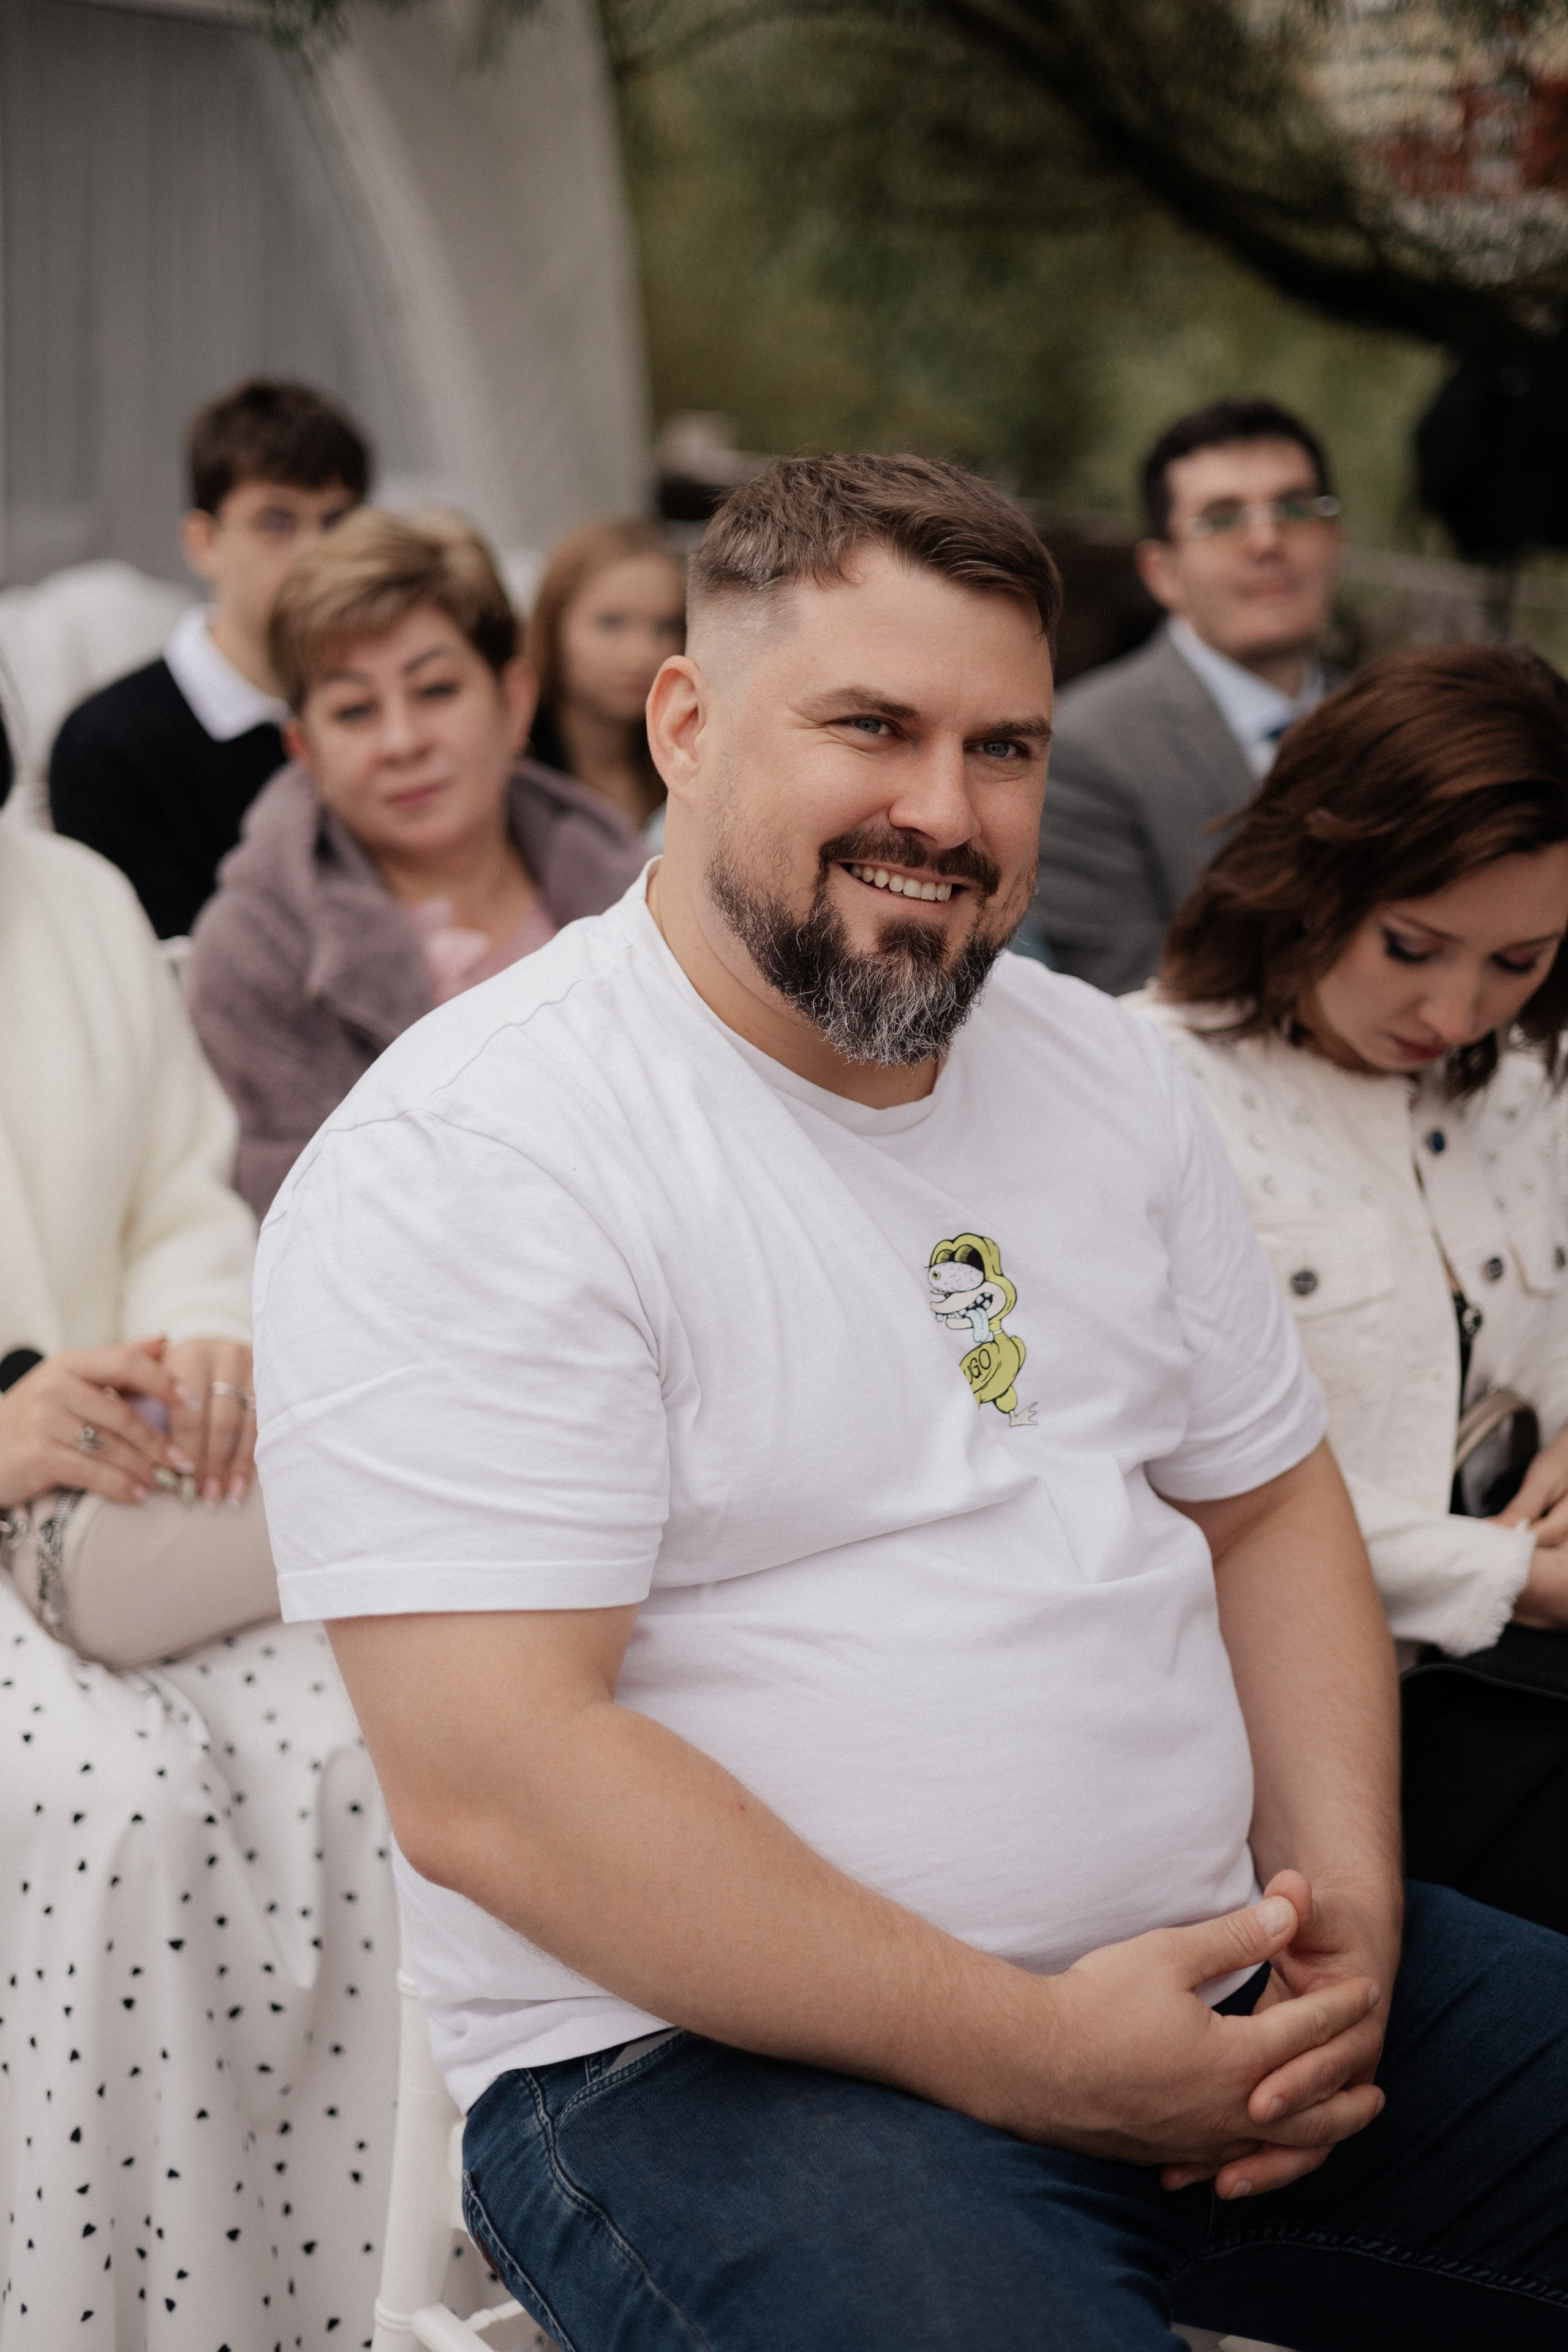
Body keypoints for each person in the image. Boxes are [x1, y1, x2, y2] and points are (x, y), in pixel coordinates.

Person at [252, 454, 1568, 2351]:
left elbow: (1268, 1505)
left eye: (1004, 748)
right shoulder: (477, 1154)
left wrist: (1341, 1910)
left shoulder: (1103, 1076)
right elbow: (497, 1782)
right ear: (685, 724)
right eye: (871, 725)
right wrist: (1037, 2049)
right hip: (706, 2067)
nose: (944, 812)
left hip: (1227, 1973)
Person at [0, 773, 401, 2346]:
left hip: (124, 1486)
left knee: (371, 1746)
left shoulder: (74, 894)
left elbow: (183, 1197)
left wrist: (202, 1350)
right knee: (117, 1810)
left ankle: (341, 2307)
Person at [1129, 643, 1568, 1939]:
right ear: (1307, 875)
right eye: (1412, 945)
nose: (1454, 1006)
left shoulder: (1525, 1082)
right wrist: (1506, 1575)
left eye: (1519, 960)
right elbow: (1174, 1479)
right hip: (1298, 1748)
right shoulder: (1140, 1087)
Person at [186, 507, 647, 1220]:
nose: (402, 742)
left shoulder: (646, 893)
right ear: (304, 750)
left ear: (513, 701)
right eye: (353, 711)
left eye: (435, 691)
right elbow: (308, 1224)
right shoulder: (255, 949)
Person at [1030, 398, 1345, 995]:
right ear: (1161, 571)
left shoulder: (1392, 724)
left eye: (1295, 508)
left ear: (1335, 538)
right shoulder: (1083, 749)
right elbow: (1130, 1000)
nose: (1266, 541)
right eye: (1222, 519)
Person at [48, 377, 371, 938]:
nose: (317, 553)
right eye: (277, 522)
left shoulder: (391, 708)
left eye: (338, 522)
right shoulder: (107, 745)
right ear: (204, 542)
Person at [525, 516, 685, 834]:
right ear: (553, 626)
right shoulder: (517, 767)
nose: (642, 654)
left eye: (665, 627)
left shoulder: (692, 753)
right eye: (612, 623)